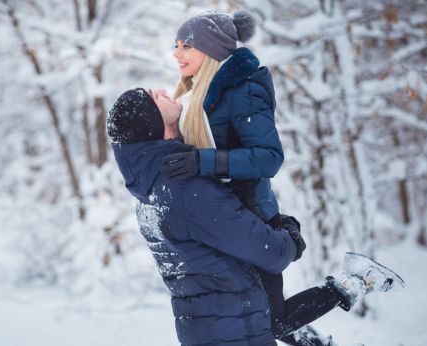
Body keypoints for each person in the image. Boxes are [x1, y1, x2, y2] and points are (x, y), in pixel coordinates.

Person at [107, 88, 405, 346]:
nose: (160, 90)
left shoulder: (151, 192)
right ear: (150, 124)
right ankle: (357, 281)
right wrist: (289, 234)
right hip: (236, 335)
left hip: (211, 331)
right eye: (151, 98)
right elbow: (272, 253)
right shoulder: (184, 191)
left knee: (276, 319)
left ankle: (352, 289)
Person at [161, 10, 306, 343]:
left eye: (186, 46)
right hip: (222, 216)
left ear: (211, 49)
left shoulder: (244, 89)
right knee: (253, 317)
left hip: (252, 213)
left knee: (274, 319)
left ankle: (345, 288)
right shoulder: (194, 92)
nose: (176, 54)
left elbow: (269, 158)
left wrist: (202, 162)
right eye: (176, 45)